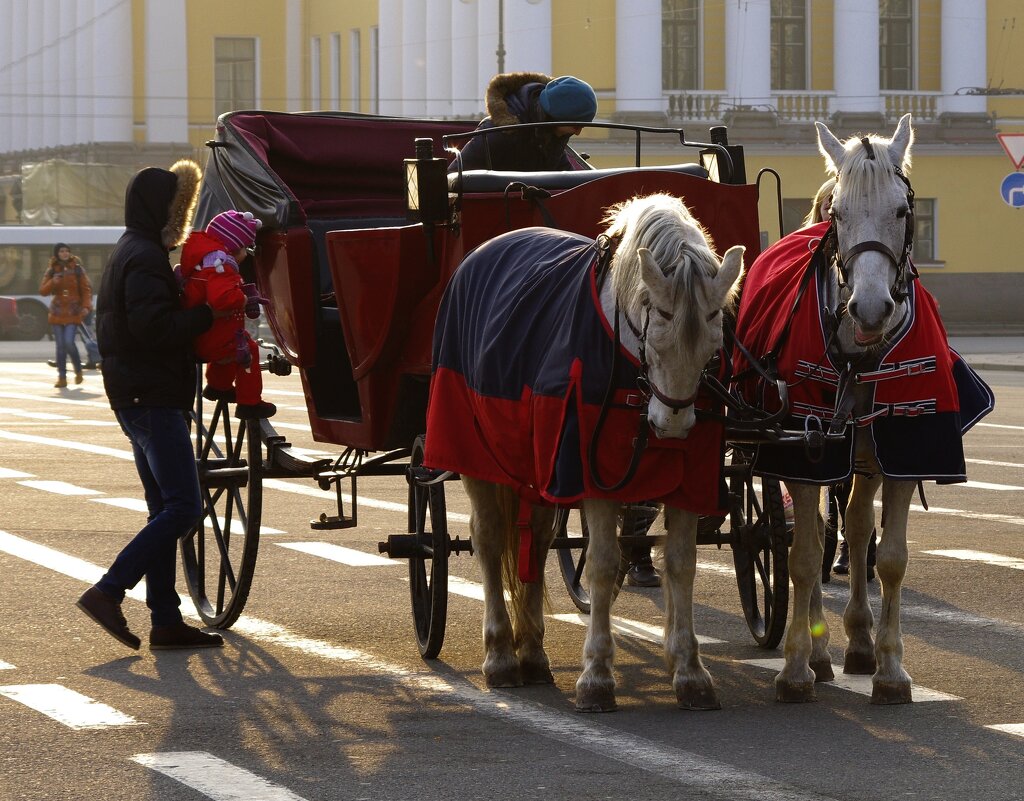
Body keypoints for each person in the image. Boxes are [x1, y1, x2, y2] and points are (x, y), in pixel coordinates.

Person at [76, 158, 225, 651]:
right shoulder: (143, 257)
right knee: (183, 507)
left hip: (138, 395)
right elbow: (154, 330)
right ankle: (109, 590)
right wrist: (208, 313)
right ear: (162, 209)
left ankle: (165, 620)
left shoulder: (132, 250)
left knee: (163, 506)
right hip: (151, 396)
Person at [804, 177, 878, 583]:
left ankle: (855, 542)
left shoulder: (865, 261)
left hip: (857, 373)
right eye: (829, 204)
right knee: (828, 467)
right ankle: (824, 538)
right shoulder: (804, 256)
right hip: (818, 374)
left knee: (857, 468)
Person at [178, 209, 275, 420]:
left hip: (204, 333)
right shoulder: (221, 266)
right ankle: (250, 403)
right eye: (245, 249)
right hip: (215, 332)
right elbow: (223, 298)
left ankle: (218, 386)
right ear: (234, 248)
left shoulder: (204, 260)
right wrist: (244, 299)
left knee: (230, 349)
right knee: (247, 350)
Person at [454, 73, 598, 172]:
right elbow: (454, 178)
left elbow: (565, 177)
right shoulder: (497, 135)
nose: (578, 132)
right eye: (576, 125)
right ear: (556, 116)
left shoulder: (551, 135)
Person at [40, 242, 92, 388]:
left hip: (73, 312)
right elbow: (43, 291)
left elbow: (86, 290)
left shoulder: (77, 269)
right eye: (61, 251)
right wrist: (52, 282)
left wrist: (86, 307)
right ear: (57, 253)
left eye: (66, 251)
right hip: (57, 312)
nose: (64, 253)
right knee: (60, 346)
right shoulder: (52, 270)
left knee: (69, 342)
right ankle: (62, 377)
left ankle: (78, 370)